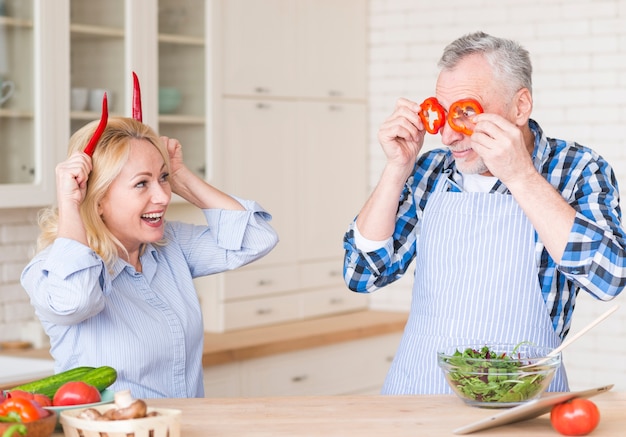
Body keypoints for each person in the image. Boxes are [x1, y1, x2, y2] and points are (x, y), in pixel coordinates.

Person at [342, 31, 626, 395]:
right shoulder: (429, 170)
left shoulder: (577, 168)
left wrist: (520, 175)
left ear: (520, 107)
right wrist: (397, 169)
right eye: (441, 115)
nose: (447, 137)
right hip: (418, 395)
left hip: (524, 399)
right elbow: (362, 274)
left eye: (465, 113)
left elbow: (610, 277)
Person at [21, 117, 279, 398]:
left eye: (162, 178)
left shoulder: (171, 246)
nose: (163, 197)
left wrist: (181, 176)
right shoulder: (52, 270)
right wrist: (72, 204)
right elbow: (74, 302)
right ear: (98, 199)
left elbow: (257, 239)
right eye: (142, 183)